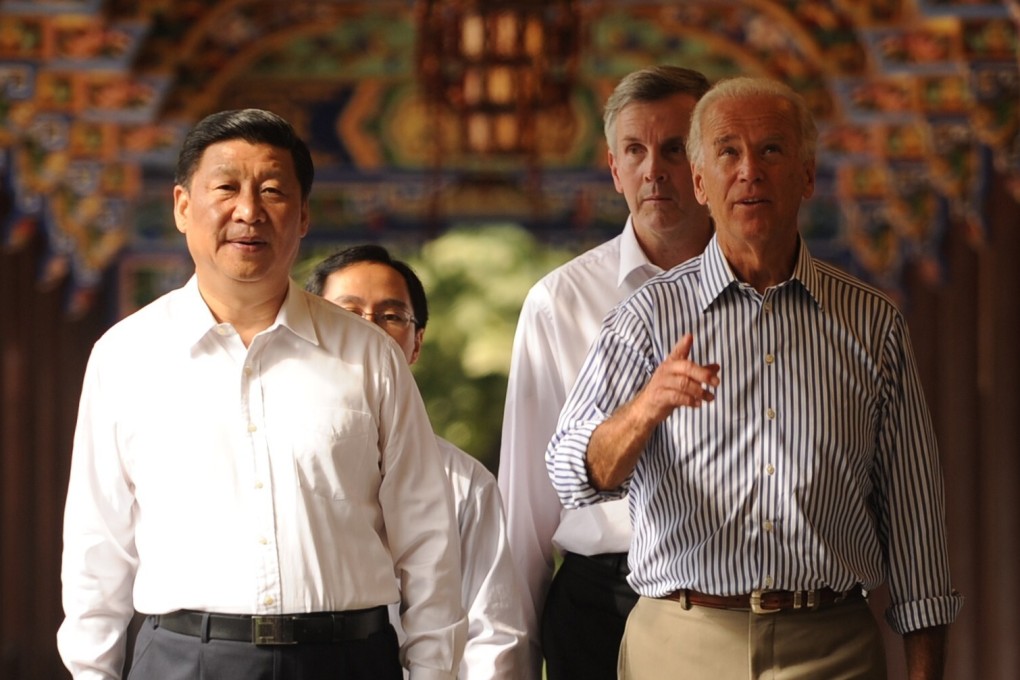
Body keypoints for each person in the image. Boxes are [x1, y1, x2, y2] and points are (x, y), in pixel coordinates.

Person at [547, 76, 962, 679]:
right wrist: (645, 409)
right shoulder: (646, 319)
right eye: (728, 153)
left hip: (833, 648)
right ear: (700, 183)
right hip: (681, 642)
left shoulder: (875, 325)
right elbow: (570, 474)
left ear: (807, 176)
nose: (750, 171)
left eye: (771, 150)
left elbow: (916, 524)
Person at [57, 109, 466, 680]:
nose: (248, 211)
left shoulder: (368, 356)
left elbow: (427, 540)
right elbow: (98, 542)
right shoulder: (125, 357)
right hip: (183, 659)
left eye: (272, 191)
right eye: (226, 187)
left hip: (347, 659)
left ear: (302, 217)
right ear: (182, 206)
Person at [497, 65, 714, 679]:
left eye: (675, 148)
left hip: (737, 600)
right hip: (603, 601)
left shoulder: (771, 289)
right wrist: (510, 665)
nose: (654, 169)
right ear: (614, 168)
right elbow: (527, 510)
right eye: (635, 151)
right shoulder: (559, 302)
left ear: (706, 161)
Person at [305, 244, 529, 679]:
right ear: (310, 330)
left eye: (390, 317)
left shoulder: (465, 484)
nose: (368, 331)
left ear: (417, 342)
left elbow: (494, 636)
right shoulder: (277, 466)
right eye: (346, 313)